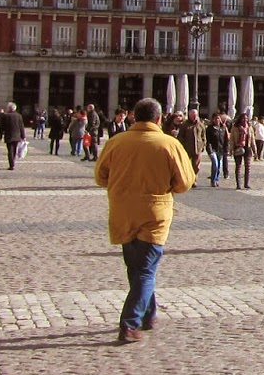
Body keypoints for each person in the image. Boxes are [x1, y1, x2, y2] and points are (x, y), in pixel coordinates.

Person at [94, 98, 195, 344]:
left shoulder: (116, 142)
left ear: (134, 117)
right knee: (146, 269)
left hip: (123, 210)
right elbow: (185, 182)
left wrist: (121, 185)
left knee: (135, 267)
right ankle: (129, 324)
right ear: (159, 119)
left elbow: (100, 176)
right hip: (154, 213)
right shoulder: (169, 144)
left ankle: (149, 314)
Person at [0, 101, 27, 171]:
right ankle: (13, 162)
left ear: (9, 108)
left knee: (10, 150)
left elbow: (2, 127)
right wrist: (23, 136)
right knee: (14, 150)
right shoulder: (19, 116)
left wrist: (0, 136)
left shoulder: (5, 116)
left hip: (9, 135)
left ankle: (11, 164)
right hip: (17, 136)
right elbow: (21, 127)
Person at [175, 107, 203, 176]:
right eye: (192, 115)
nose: (194, 117)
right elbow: (180, 137)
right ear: (189, 116)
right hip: (187, 149)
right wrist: (184, 145)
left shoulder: (200, 124)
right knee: (186, 166)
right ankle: (189, 178)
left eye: (195, 115)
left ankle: (194, 178)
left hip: (198, 149)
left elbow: (203, 136)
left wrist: (203, 145)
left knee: (196, 167)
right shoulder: (184, 125)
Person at [204, 113, 228, 187]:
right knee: (215, 165)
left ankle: (216, 179)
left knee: (219, 167)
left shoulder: (223, 128)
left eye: (218, 118)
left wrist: (226, 149)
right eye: (216, 118)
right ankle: (213, 180)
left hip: (221, 149)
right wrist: (210, 150)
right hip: (213, 149)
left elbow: (226, 140)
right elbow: (208, 141)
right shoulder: (210, 128)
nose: (217, 120)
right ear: (213, 120)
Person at [230, 114, 253, 190]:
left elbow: (252, 139)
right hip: (238, 147)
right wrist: (231, 149)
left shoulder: (249, 127)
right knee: (238, 166)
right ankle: (238, 184)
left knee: (248, 166)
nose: (245, 120)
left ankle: (246, 183)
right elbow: (232, 139)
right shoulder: (235, 127)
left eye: (246, 118)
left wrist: (255, 150)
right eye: (243, 118)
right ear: (240, 119)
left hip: (247, 147)